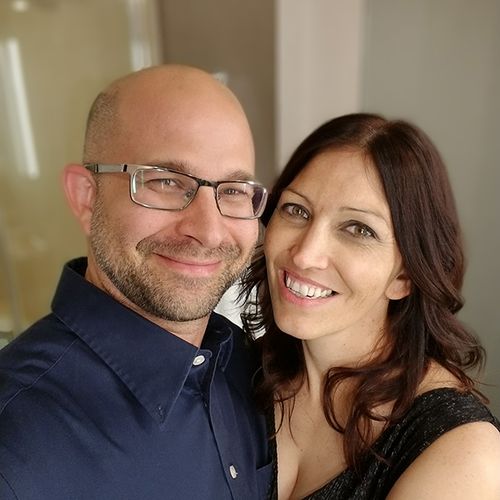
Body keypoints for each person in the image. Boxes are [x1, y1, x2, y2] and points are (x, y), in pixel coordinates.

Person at [0, 65, 272, 499]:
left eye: (235, 190)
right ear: (86, 197)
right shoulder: (15, 446)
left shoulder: (251, 367)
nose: (209, 231)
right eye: (165, 181)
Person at [241, 113, 500, 499]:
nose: (306, 254)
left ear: (405, 276)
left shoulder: (462, 453)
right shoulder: (238, 372)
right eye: (296, 210)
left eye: (358, 229)